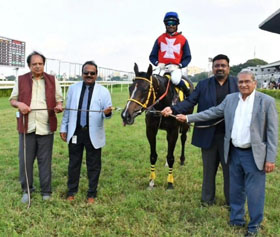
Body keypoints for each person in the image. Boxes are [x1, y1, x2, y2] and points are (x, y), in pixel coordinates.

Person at [167, 70, 278, 237]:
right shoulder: (231, 99)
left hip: (254, 154)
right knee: (236, 190)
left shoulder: (266, 101)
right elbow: (212, 112)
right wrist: (189, 118)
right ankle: (236, 219)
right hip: (233, 152)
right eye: (240, 82)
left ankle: (254, 226)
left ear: (254, 83)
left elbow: (272, 133)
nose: (243, 85)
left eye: (247, 81)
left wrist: (270, 158)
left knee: (255, 193)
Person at [162, 54, 239, 207]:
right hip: (208, 133)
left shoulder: (237, 83)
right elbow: (190, 101)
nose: (220, 68)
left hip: (231, 135)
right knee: (209, 169)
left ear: (228, 68)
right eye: (217, 66)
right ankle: (207, 199)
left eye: (223, 65)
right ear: (213, 68)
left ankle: (231, 201)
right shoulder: (204, 84)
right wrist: (173, 109)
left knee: (230, 170)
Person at [9, 51, 63, 203]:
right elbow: (12, 100)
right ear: (29, 66)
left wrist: (58, 106)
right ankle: (27, 190)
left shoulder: (53, 80)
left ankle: (46, 191)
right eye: (34, 64)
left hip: (46, 127)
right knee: (25, 161)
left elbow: (59, 100)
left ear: (44, 65)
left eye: (40, 64)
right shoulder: (20, 80)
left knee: (45, 161)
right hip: (27, 127)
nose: (38, 66)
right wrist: (19, 104)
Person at [60, 61, 112, 204]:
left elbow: (107, 114)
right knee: (73, 163)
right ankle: (71, 191)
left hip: (93, 133)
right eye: (86, 73)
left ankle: (91, 194)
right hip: (76, 131)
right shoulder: (73, 89)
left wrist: (107, 113)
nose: (89, 75)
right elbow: (68, 111)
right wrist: (63, 128)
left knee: (94, 164)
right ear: (82, 74)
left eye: (92, 73)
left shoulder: (104, 91)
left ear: (96, 75)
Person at [149, 11, 191, 95]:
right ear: (165, 24)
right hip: (161, 67)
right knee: (152, 81)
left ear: (177, 24)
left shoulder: (183, 39)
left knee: (175, 80)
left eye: (173, 23)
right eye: (168, 23)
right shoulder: (160, 39)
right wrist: (157, 63)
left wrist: (179, 65)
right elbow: (152, 56)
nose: (171, 25)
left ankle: (188, 94)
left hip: (175, 68)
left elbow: (187, 57)